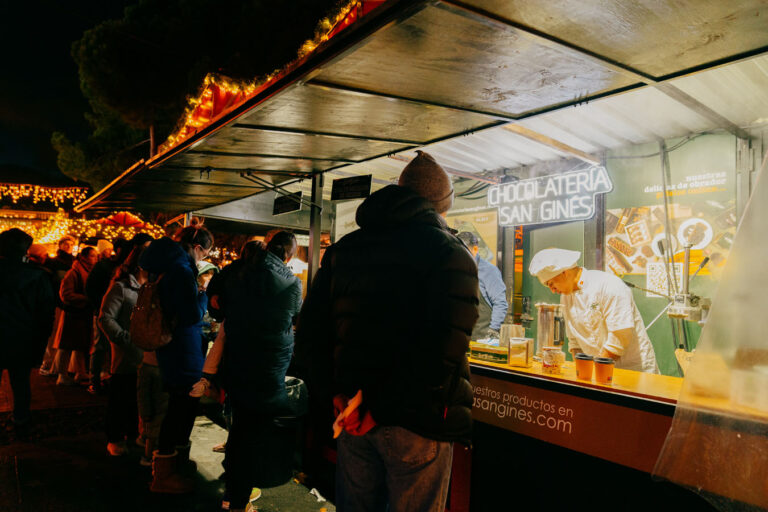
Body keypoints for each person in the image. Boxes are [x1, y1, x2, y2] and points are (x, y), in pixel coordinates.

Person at [296, 151, 479, 512]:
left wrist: (335, 392)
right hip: (417, 419)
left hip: (351, 413)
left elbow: (311, 334)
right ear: (441, 205)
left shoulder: (345, 250)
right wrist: (379, 407)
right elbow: (443, 350)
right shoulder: (449, 252)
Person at [213, 232, 302, 512]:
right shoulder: (291, 282)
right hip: (266, 370)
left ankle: (233, 491)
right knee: (252, 437)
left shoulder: (238, 271)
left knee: (239, 428)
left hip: (237, 362)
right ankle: (238, 501)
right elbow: (294, 316)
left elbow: (217, 306)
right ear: (288, 255)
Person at [138, 226, 213, 493]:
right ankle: (164, 476)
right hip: (183, 349)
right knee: (180, 408)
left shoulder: (166, 266)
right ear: (196, 247)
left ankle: (176, 464)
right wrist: (203, 296)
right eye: (205, 253)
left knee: (182, 407)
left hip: (174, 349)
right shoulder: (181, 271)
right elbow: (192, 315)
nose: (203, 259)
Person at [528, 248, 658, 373]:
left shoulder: (608, 285)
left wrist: (595, 372)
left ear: (564, 272)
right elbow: (575, 342)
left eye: (551, 283)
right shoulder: (566, 298)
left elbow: (620, 338)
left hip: (633, 372)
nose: (552, 290)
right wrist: (580, 372)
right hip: (599, 372)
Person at [0, 229, 56, 434]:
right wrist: (40, 343)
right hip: (22, 338)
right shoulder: (38, 277)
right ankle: (21, 418)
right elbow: (45, 313)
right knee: (21, 382)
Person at [98, 245, 146, 456]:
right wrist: (125, 339)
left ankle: (134, 433)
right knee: (121, 395)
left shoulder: (154, 287)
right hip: (126, 353)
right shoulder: (121, 287)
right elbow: (106, 318)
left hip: (147, 353)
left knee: (139, 398)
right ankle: (115, 437)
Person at [86, 238, 130, 395]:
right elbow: (90, 289)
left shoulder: (126, 267)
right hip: (102, 313)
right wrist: (101, 306)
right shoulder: (103, 266)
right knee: (100, 347)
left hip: (118, 314)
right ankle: (94, 381)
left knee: (114, 348)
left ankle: (110, 379)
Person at [52, 246, 99, 386]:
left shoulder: (87, 272)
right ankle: (62, 375)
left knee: (80, 344)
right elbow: (65, 294)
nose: (96, 258)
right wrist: (85, 298)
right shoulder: (73, 273)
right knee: (66, 345)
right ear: (83, 257)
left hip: (82, 313)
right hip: (73, 313)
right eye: (93, 256)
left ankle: (80, 372)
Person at [457, 231, 508, 340]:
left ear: (475, 249)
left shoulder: (489, 271)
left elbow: (500, 303)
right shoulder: (458, 269)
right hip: (461, 335)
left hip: (482, 337)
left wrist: (493, 330)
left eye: (465, 251)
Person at [39, 236, 75, 376]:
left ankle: (59, 366)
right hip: (56, 303)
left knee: (62, 336)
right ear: (60, 245)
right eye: (66, 244)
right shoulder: (53, 263)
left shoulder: (74, 262)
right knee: (52, 335)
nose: (69, 246)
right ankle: (48, 363)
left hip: (67, 305)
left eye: (71, 244)